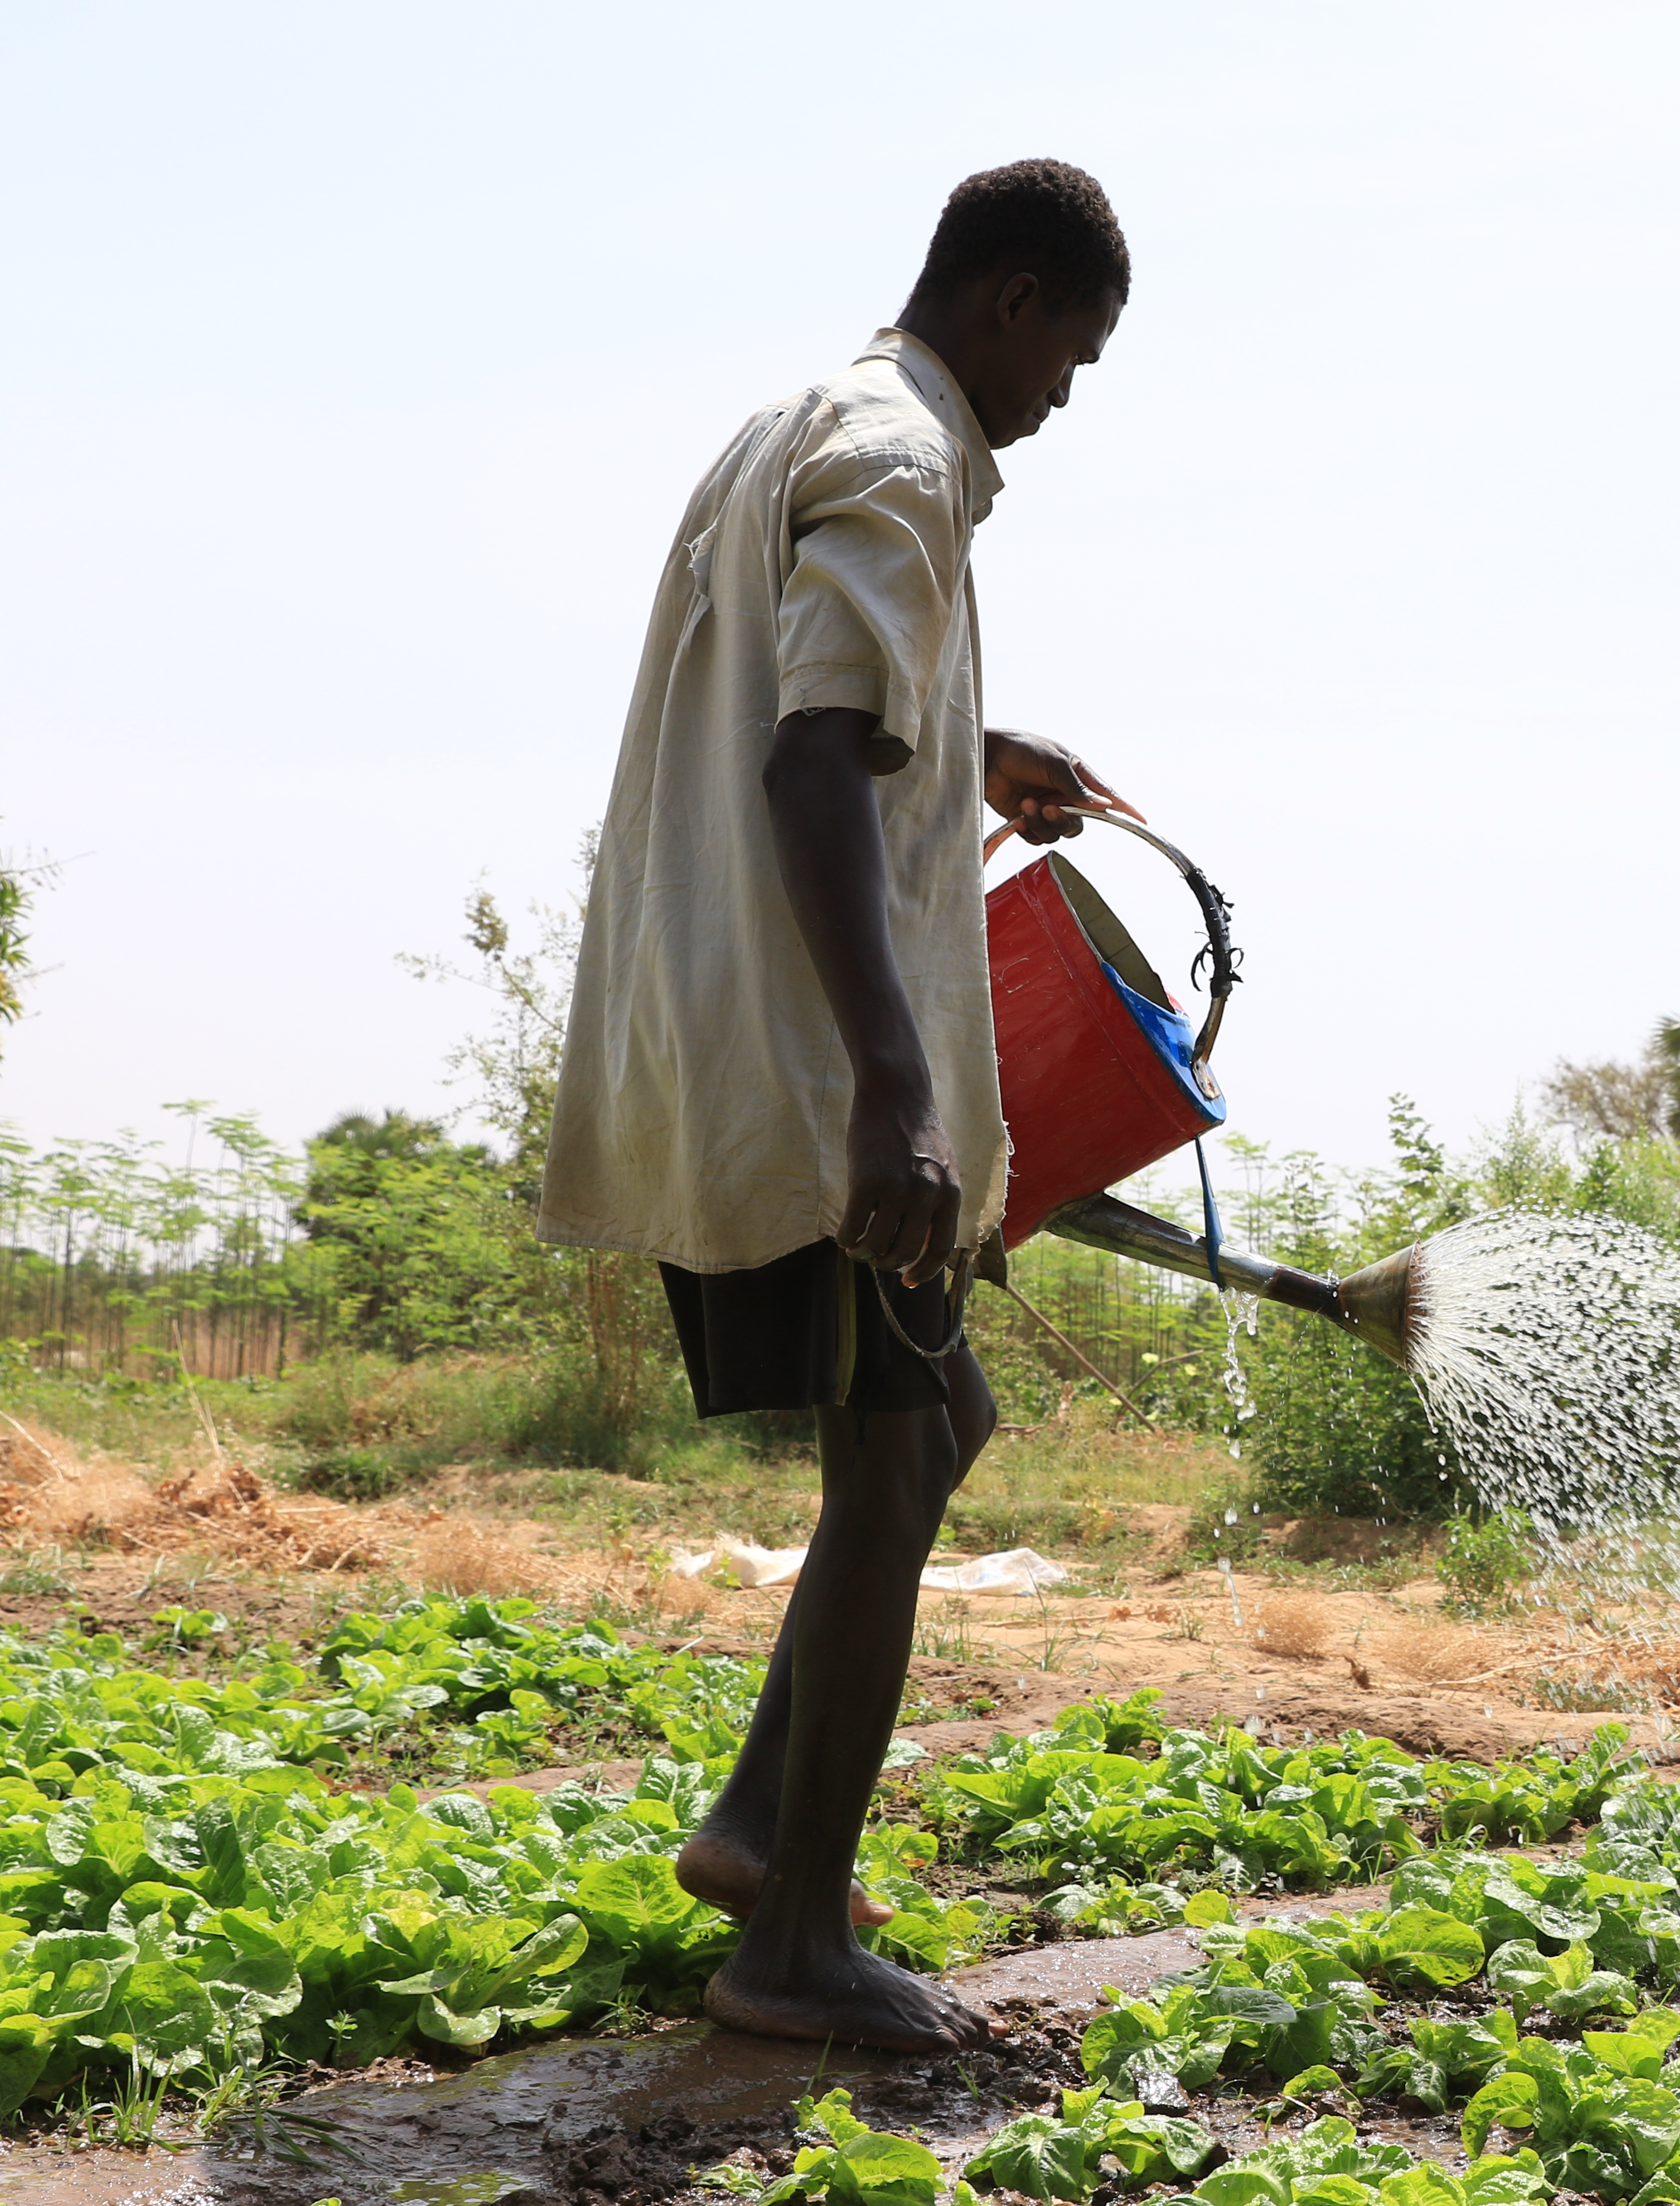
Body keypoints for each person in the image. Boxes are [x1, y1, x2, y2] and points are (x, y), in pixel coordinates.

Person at [539, 158, 1136, 2051]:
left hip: (715, 1025)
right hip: (811, 1066)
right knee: (890, 1460)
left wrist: (979, 740)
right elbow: (813, 769)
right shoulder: (907, 458)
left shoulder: (804, 422)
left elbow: (831, 705)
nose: (1062, 403)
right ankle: (791, 1937)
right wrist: (899, 1088)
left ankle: (749, 1825)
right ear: (1017, 298)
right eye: (1076, 354)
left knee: (936, 1413)